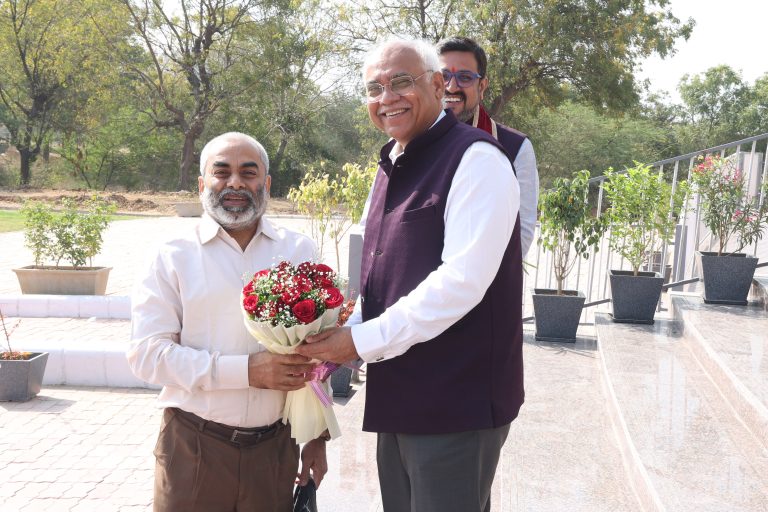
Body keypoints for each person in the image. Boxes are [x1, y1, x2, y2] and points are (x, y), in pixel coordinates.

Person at [296, 39, 525, 512]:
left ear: (438, 85)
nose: (388, 97)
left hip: (455, 403)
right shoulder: (392, 163)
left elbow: (461, 283)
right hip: (401, 395)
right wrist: (338, 336)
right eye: (375, 87)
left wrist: (357, 343)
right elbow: (381, 277)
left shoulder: (477, 160)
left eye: (402, 81)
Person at [127, 132, 329, 512]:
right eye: (222, 172)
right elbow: (147, 355)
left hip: (276, 450)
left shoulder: (298, 251)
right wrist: (247, 371)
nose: (235, 182)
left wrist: (317, 435)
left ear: (266, 184)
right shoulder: (173, 256)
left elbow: (317, 351)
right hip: (194, 447)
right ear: (202, 184)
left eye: (248, 172)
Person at [438, 36, 539, 257]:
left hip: (485, 286)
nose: (451, 86)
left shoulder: (515, 148)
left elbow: (521, 232)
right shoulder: (407, 144)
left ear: (481, 85)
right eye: (443, 76)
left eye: (464, 77)